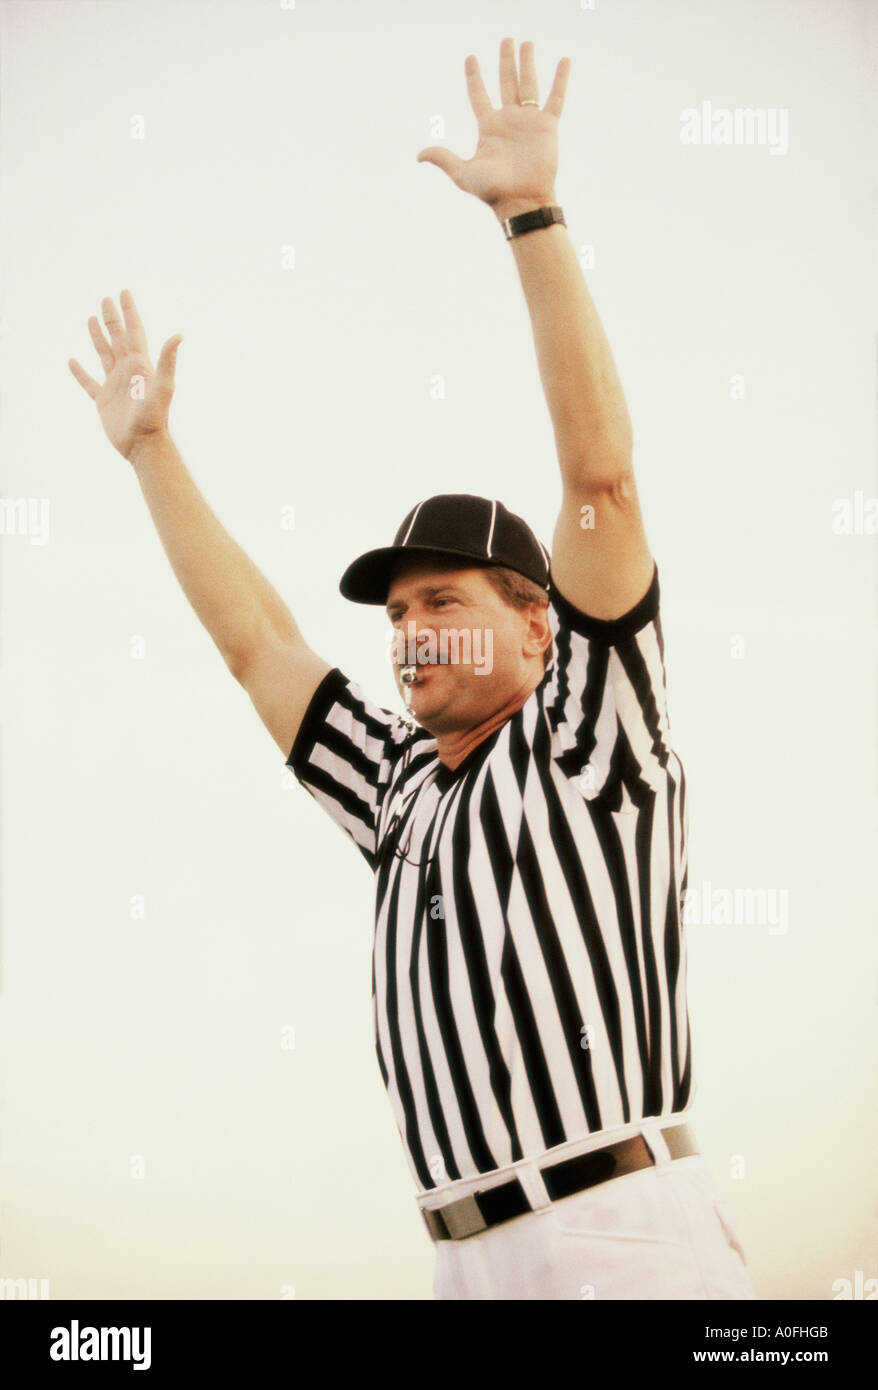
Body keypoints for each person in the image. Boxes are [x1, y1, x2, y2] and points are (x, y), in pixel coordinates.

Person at [69, 37, 757, 1301]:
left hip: (620, 1227)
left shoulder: (588, 734)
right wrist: (150, 452)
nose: (406, 632)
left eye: (438, 600)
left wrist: (530, 213)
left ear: (538, 623)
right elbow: (256, 646)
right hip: (458, 1259)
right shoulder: (397, 783)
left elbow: (599, 483)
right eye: (394, 614)